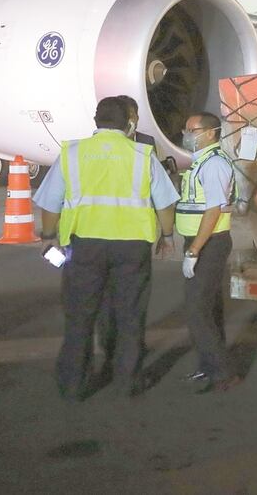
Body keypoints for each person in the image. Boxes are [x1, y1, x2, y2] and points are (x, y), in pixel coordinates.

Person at [34, 97, 179, 400]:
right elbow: (165, 202)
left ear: (96, 120)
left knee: (80, 317)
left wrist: (50, 237)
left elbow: (50, 203)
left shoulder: (72, 154)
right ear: (128, 121)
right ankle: (128, 382)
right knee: (130, 316)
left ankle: (73, 386)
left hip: (84, 247)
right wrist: (167, 236)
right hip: (132, 248)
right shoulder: (142, 155)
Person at [176, 111, 240, 393]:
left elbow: (213, 210)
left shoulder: (213, 165)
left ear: (211, 132)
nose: (187, 135)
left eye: (193, 130)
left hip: (209, 242)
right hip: (203, 241)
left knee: (196, 310)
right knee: (209, 308)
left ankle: (222, 373)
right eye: (186, 130)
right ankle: (209, 367)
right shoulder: (201, 162)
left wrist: (193, 251)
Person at [95, 95, 158, 376]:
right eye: (130, 114)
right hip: (100, 231)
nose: (133, 120)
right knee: (108, 301)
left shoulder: (146, 144)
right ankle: (112, 351)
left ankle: (132, 351)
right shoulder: (96, 146)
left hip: (133, 233)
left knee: (132, 302)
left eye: (136, 115)